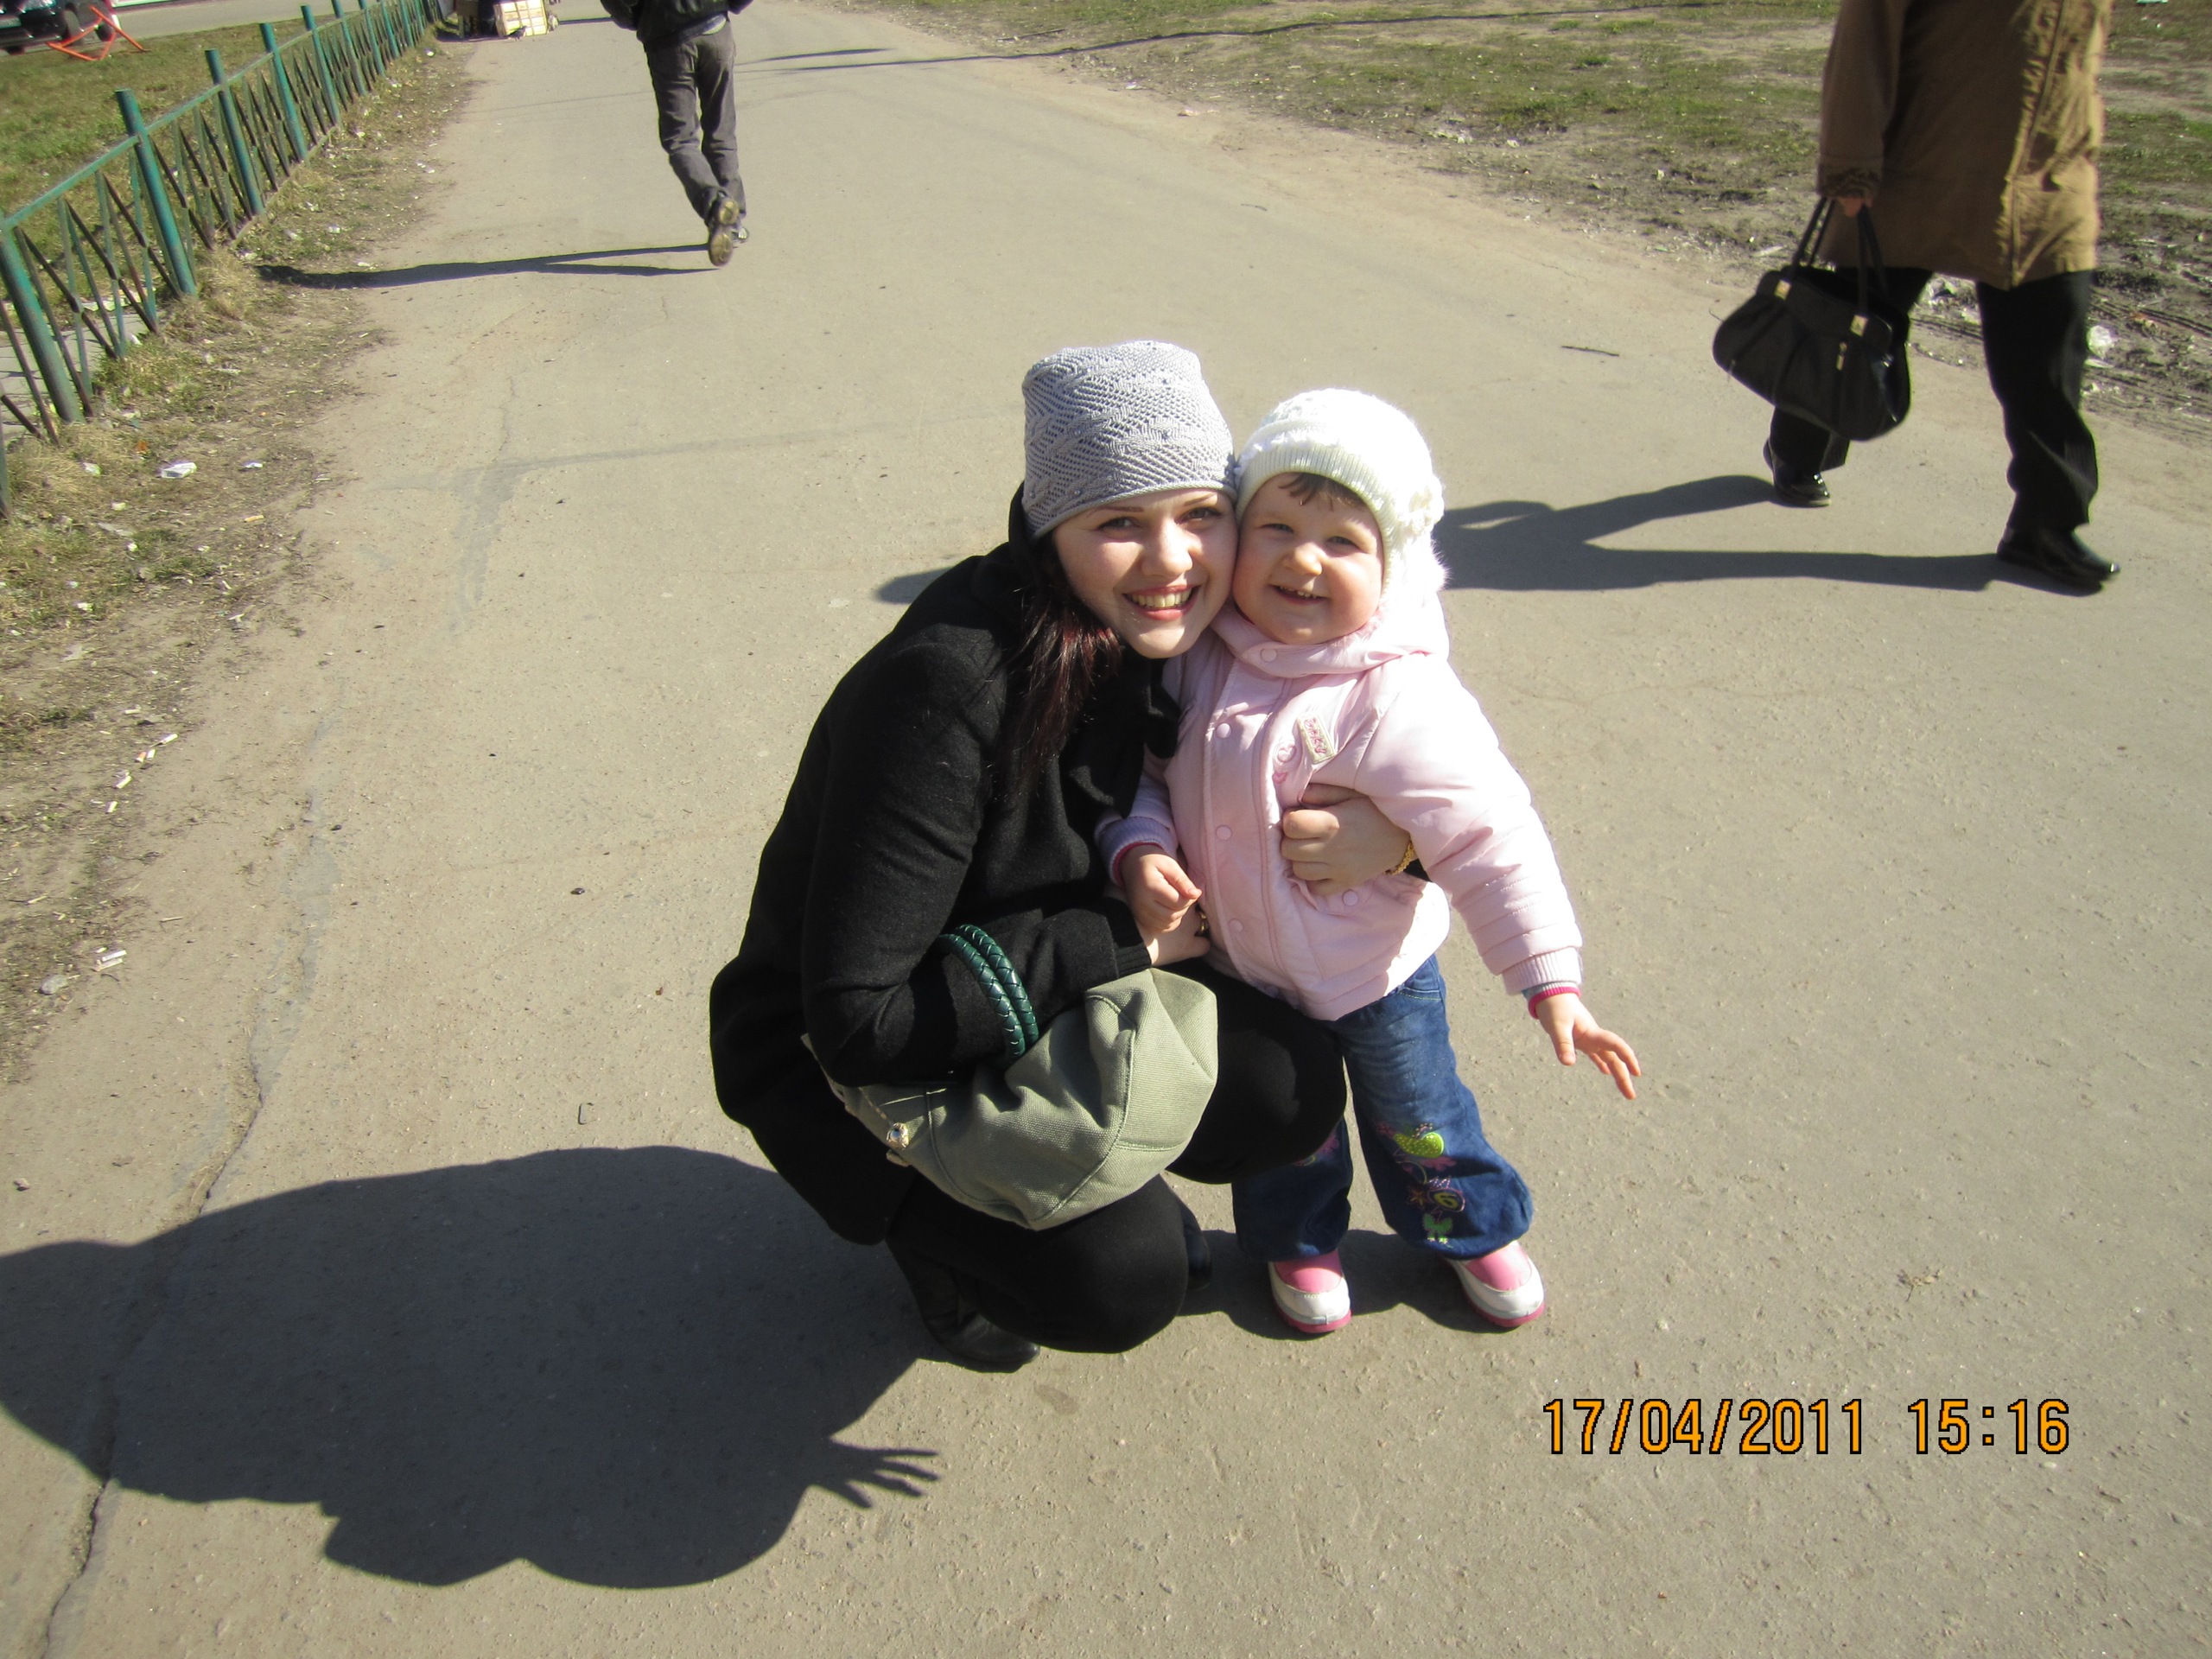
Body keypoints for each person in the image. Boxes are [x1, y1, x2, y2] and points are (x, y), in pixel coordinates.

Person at [709, 344, 1412, 1371]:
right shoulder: (951, 687)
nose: (1171, 561)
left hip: (1044, 969)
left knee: (1288, 1084)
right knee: (1117, 1280)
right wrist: (1123, 939)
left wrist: (1397, 844)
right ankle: (939, 1241)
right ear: (1050, 532)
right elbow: (861, 1023)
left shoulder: (1195, 631)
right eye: (1119, 523)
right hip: (862, 1043)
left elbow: (1425, 747)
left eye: (1200, 514)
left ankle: (1083, 1166)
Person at [1101, 390, 1640, 1337]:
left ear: (1393, 567)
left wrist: (1549, 980)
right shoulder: (1197, 658)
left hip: (1376, 976)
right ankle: (1298, 1241)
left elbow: (1489, 834)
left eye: (1343, 542)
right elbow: (1144, 775)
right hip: (1246, 971)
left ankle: (1468, 1227)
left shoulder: (1398, 693)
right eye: (1276, 527)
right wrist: (1138, 847)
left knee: (1418, 1117)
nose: (1303, 560)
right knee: (1288, 1129)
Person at [1765, 0, 2117, 594]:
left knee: (2050, 355)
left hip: (2048, 179)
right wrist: (1851, 164)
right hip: (1925, 165)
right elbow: (1864, 40)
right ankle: (1799, 447)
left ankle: (2046, 524)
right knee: (1851, 335)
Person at [601, 0, 749, 266]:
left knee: (680, 140)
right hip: (715, 29)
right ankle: (733, 223)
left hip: (667, 39)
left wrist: (638, 19)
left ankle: (716, 203)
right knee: (721, 129)